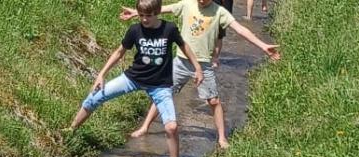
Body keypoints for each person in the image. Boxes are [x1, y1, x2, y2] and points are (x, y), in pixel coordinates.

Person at [66, 0, 204, 157]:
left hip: (160, 85)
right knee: (95, 96)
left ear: (158, 13)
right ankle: (71, 130)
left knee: (171, 127)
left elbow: (185, 46)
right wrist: (101, 74)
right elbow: (119, 52)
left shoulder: (169, 29)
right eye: (141, 16)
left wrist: (198, 68)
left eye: (149, 15)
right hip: (133, 78)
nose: (145, 20)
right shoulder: (134, 30)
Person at [119, 0, 281, 149]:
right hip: (180, 62)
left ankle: (222, 138)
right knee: (163, 93)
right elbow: (160, 10)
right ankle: (145, 127)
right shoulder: (187, 4)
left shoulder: (220, 12)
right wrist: (135, 12)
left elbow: (240, 29)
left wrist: (263, 46)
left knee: (214, 100)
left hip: (203, 64)